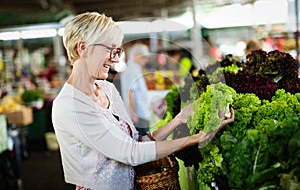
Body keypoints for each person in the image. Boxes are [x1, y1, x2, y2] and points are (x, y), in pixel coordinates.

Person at [51, 12, 235, 190]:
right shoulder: (70, 105)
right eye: (109, 49)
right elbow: (130, 153)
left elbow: (136, 142)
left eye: (117, 51)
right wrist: (197, 137)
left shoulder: (107, 89)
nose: (115, 59)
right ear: (82, 48)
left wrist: (179, 119)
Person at [120, 43, 151, 136]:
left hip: (140, 113)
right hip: (138, 115)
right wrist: (133, 114)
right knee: (142, 141)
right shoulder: (132, 70)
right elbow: (130, 93)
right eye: (144, 57)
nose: (146, 60)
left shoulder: (135, 68)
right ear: (136, 55)